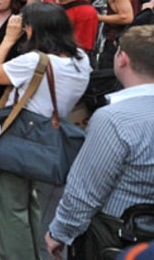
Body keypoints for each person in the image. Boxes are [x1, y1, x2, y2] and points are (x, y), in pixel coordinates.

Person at [0, 2, 91, 260]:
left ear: (35, 30)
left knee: (10, 208)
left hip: (23, 137)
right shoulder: (80, 57)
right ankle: (31, 251)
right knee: (27, 202)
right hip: (47, 138)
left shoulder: (36, 60)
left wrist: (9, 40)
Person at [45, 25, 154, 260]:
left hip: (117, 237)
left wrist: (59, 232)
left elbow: (85, 190)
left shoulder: (114, 119)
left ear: (122, 59)